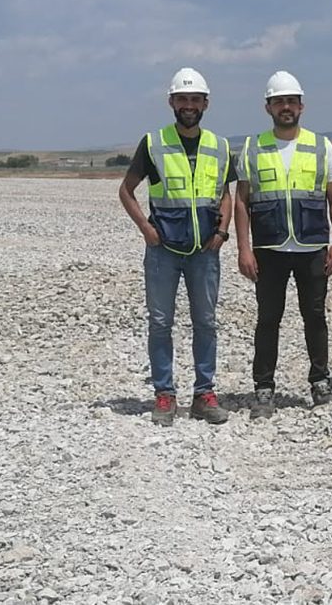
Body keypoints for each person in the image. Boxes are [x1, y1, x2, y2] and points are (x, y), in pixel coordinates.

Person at [116, 67, 234, 426]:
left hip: (204, 252)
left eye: (195, 99)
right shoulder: (153, 143)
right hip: (163, 251)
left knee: (206, 322)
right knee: (160, 323)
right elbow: (126, 190)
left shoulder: (220, 145)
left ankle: (204, 395)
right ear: (171, 102)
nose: (188, 105)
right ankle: (165, 395)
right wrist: (145, 229)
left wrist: (222, 232)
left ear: (205, 104)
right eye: (182, 99)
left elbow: (225, 194)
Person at [234, 70, 332, 419]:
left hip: (312, 247)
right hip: (269, 250)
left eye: (292, 101)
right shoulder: (253, 147)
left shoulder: (320, 145)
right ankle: (264, 389)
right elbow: (242, 200)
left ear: (301, 106)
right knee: (268, 319)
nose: (286, 107)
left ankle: (320, 381)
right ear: (268, 107)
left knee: (314, 316)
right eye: (279, 101)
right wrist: (244, 248)